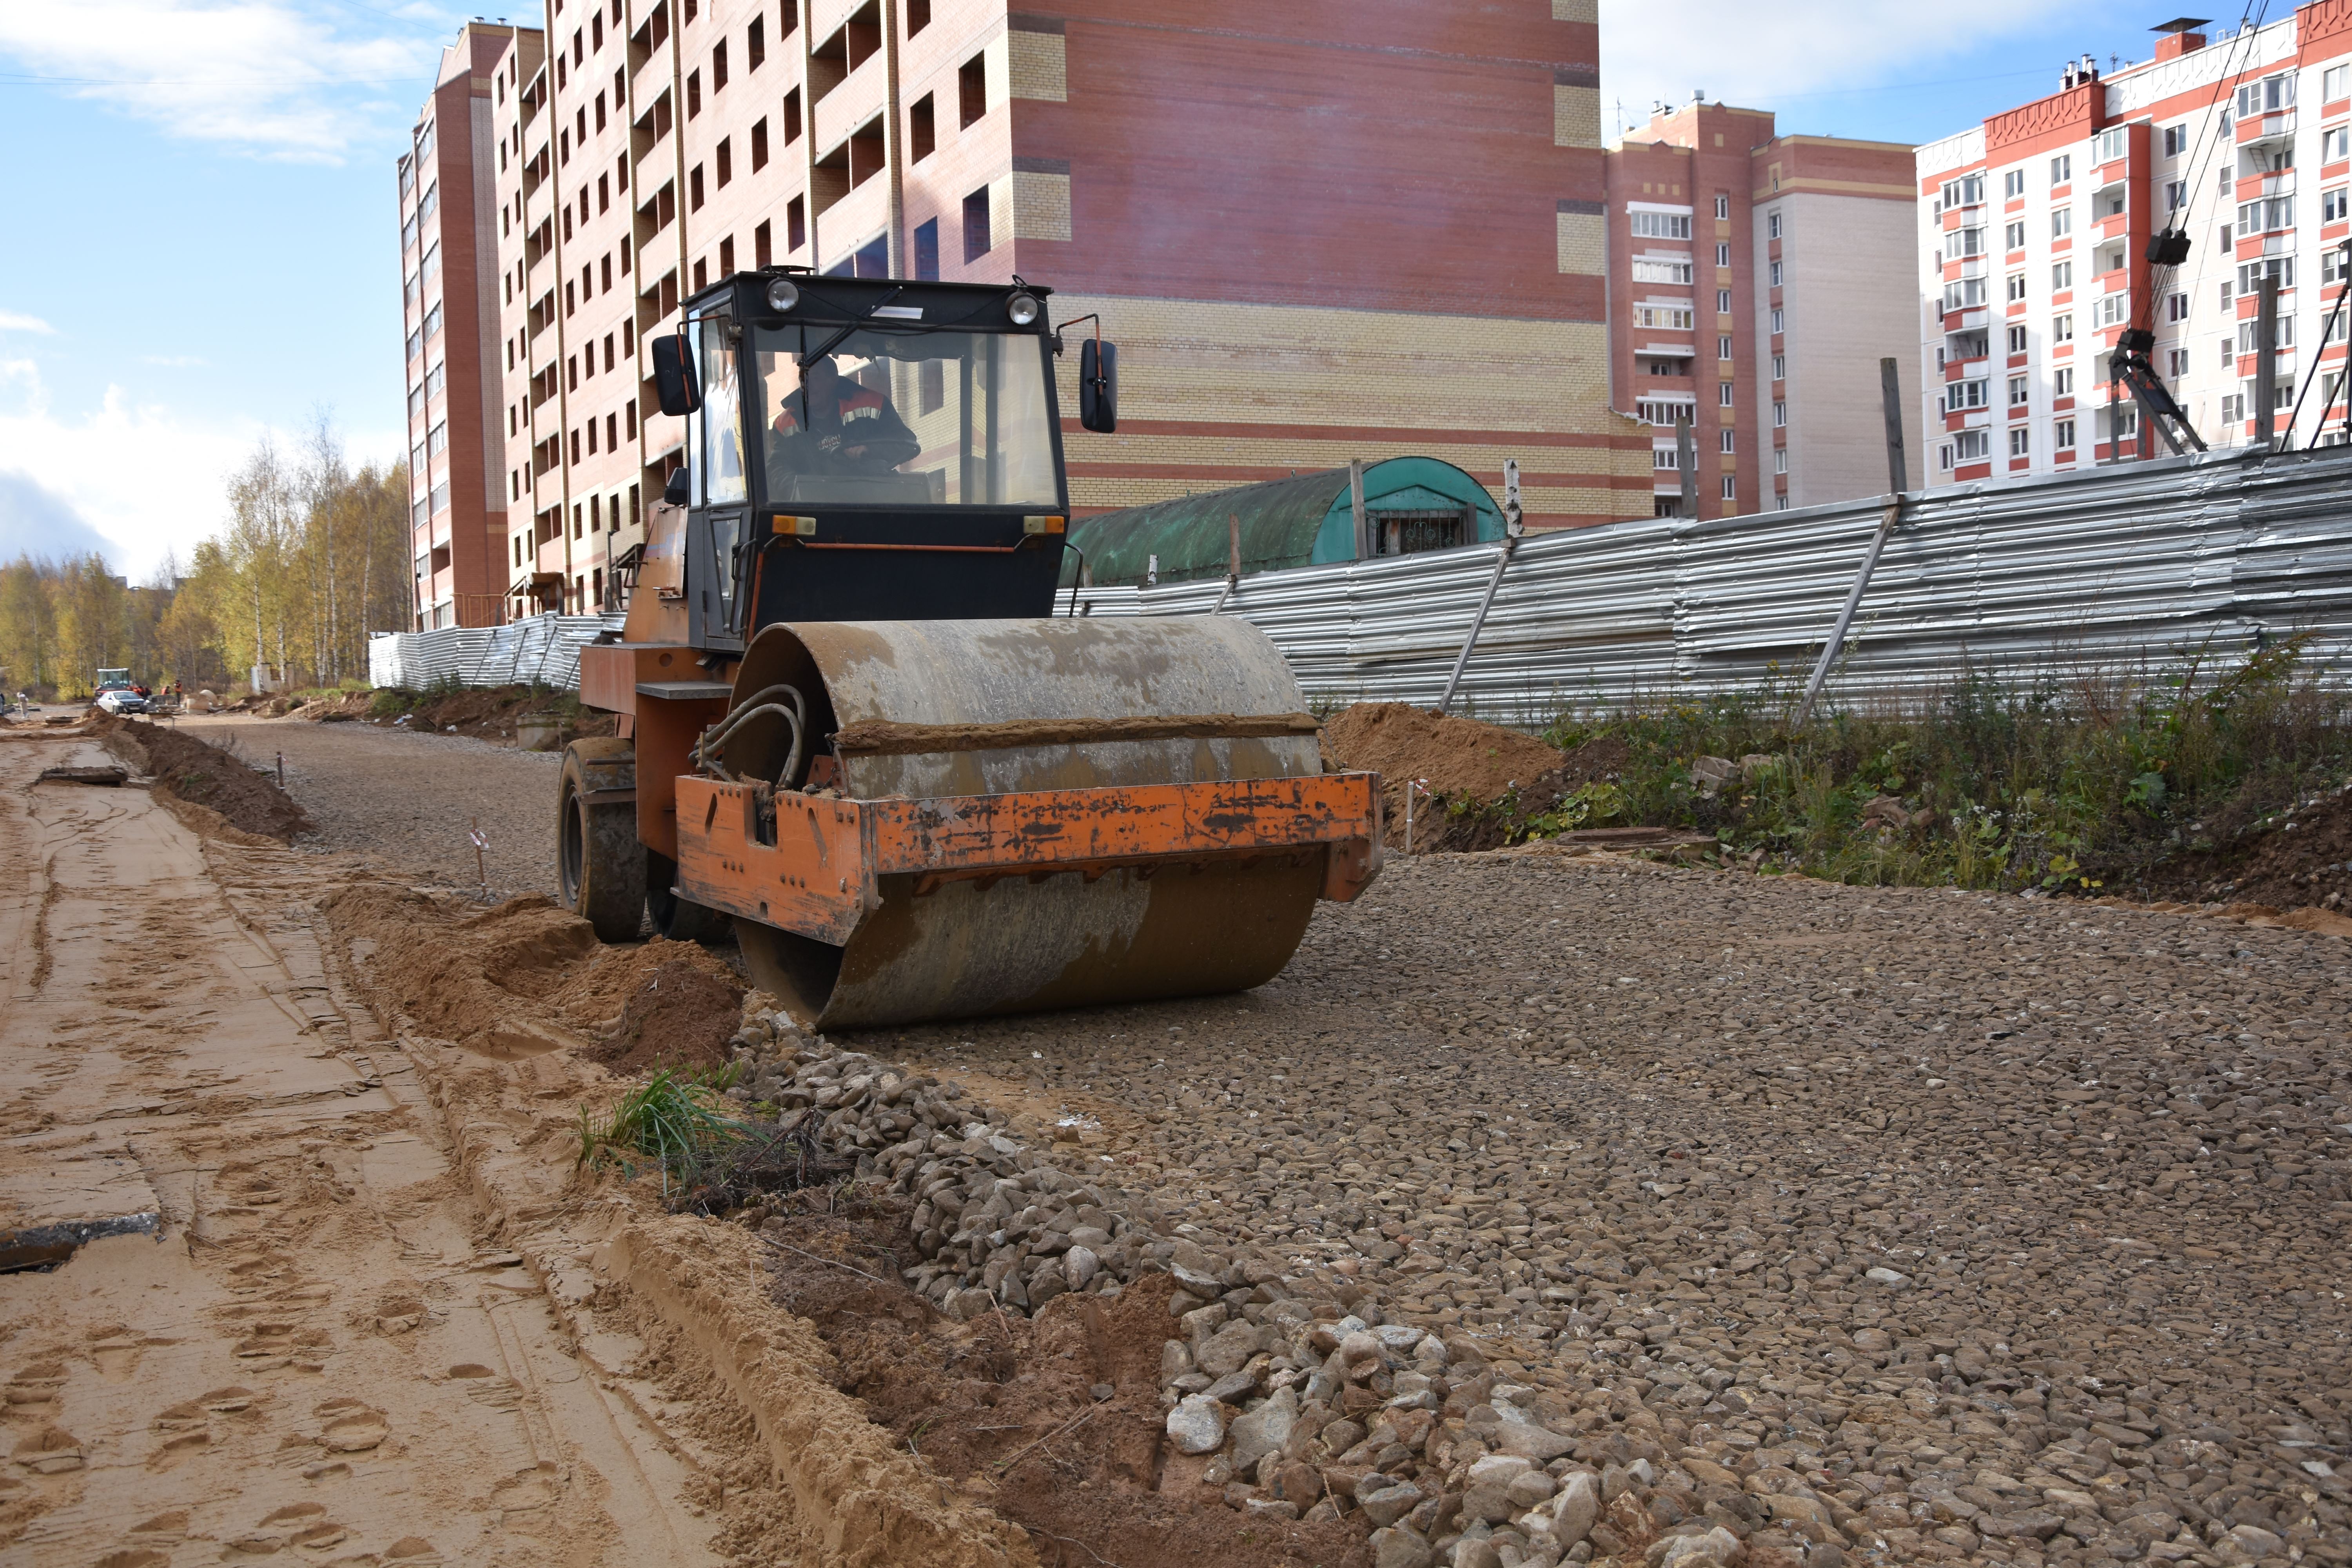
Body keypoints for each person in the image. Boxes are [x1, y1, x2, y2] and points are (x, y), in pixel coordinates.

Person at [770, 355, 919, 476]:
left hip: (873, 494)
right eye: (803, 380)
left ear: (834, 380)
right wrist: (797, 490)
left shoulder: (874, 404)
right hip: (815, 504)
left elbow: (906, 443)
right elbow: (777, 467)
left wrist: (869, 449)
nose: (807, 386)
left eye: (815, 378)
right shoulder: (785, 424)